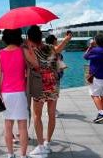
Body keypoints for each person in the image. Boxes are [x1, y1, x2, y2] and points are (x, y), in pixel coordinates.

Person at [27, 26, 72, 156]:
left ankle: (41, 146)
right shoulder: (50, 47)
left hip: (39, 86)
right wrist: (67, 39)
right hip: (53, 84)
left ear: (30, 38)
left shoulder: (30, 51)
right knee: (51, 114)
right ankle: (48, 142)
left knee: (37, 116)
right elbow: (59, 48)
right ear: (40, 36)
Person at [0, 29, 38, 158]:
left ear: (5, 38)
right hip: (20, 92)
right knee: (22, 126)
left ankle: (10, 154)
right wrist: (30, 50)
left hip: (6, 93)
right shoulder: (23, 51)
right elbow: (36, 64)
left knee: (8, 125)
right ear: (18, 37)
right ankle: (23, 155)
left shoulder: (0, 53)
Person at [84, 35, 103, 123]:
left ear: (95, 41)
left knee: (94, 95)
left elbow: (85, 57)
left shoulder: (95, 50)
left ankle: (102, 113)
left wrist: (90, 47)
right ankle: (102, 114)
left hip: (97, 76)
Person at [45, 34, 68, 118]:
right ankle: (50, 111)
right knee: (53, 93)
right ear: (53, 41)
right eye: (56, 39)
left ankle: (53, 109)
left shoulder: (47, 50)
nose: (57, 40)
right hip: (54, 75)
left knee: (53, 93)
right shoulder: (53, 50)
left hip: (53, 75)